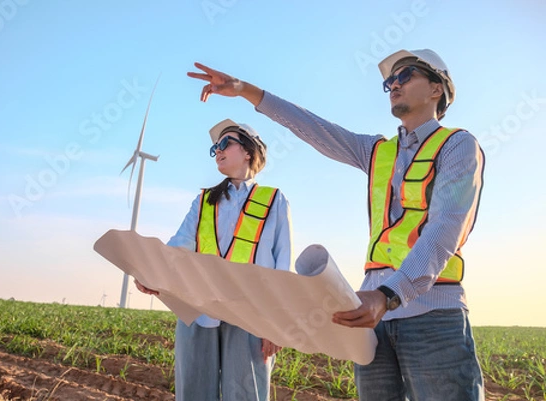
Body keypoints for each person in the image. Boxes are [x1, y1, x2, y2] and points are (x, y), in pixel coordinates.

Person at [187, 49, 485, 400]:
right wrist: (246, 90)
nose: (393, 85)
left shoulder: (458, 146)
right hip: (373, 320)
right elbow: (314, 128)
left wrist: (389, 294)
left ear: (437, 88)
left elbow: (446, 227)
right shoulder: (377, 151)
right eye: (389, 81)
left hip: (430, 314)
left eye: (405, 76)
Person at [134, 118, 292, 401]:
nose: (217, 151)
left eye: (224, 143)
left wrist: (276, 324)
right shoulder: (204, 200)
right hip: (199, 311)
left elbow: (283, 266)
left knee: (246, 396)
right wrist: (150, 271)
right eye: (214, 148)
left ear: (248, 151)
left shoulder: (274, 201)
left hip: (251, 316)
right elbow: (178, 246)